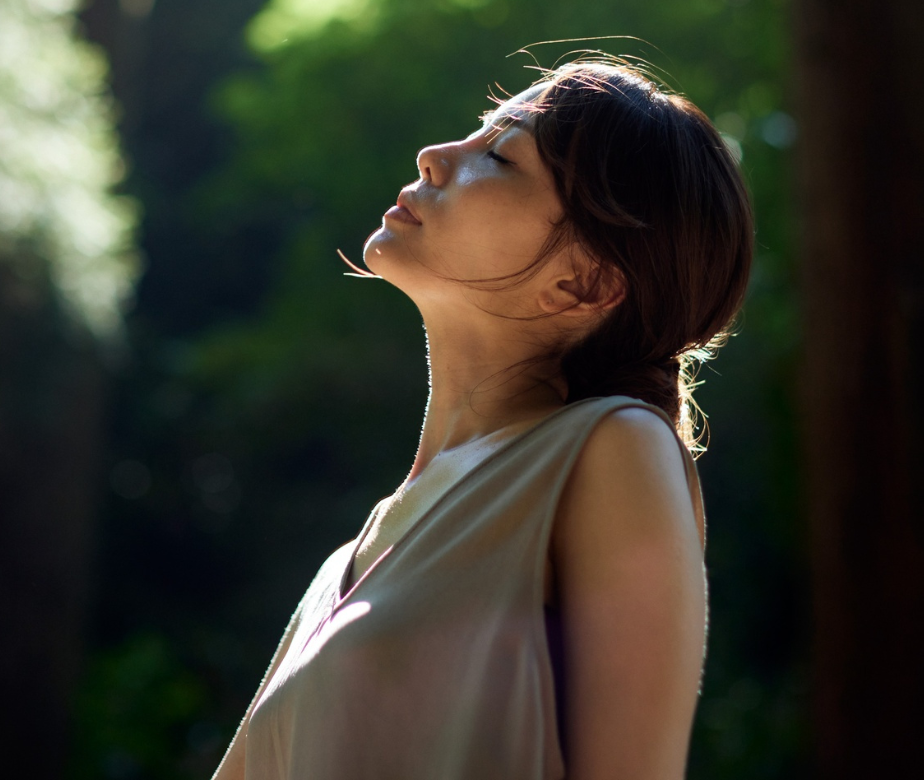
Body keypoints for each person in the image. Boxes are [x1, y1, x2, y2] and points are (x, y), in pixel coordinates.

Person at [213, 57, 753, 780]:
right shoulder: (351, 557)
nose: (434, 157)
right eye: (476, 134)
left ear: (585, 282)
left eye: (499, 155)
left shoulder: (612, 449)